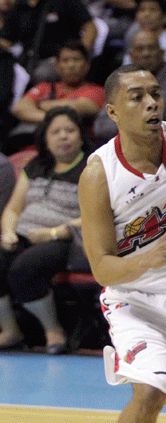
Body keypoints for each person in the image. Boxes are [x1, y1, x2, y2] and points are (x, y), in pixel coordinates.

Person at [78, 64, 166, 423]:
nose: (151, 103)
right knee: (150, 395)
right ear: (112, 111)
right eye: (137, 97)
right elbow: (101, 267)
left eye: (155, 94)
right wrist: (149, 259)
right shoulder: (99, 174)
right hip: (138, 300)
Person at [0, 106, 89, 352]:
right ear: (45, 139)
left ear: (80, 135)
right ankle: (10, 331)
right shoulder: (36, 166)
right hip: (25, 234)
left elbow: (95, 215)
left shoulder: (92, 169)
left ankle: (53, 330)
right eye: (55, 132)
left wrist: (53, 232)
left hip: (67, 238)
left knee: (24, 269)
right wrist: (8, 231)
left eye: (69, 130)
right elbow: (13, 209)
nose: (63, 136)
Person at [94, 30, 166, 145]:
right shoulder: (122, 84)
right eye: (140, 49)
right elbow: (101, 127)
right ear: (131, 55)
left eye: (151, 48)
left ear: (162, 53)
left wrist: (123, 119)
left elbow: (147, 122)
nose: (146, 54)